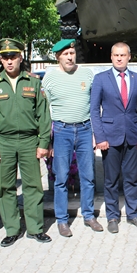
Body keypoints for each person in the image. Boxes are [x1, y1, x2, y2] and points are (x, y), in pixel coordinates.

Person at [0, 38, 52, 246]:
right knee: (5, 188)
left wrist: (43, 142)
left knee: (33, 185)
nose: (9, 61)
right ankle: (12, 229)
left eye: (13, 57)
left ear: (20, 57)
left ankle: (35, 228)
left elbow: (43, 115)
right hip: (4, 142)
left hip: (29, 141)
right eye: (5, 58)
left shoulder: (33, 82)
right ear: (1, 60)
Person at [42, 39, 103, 236]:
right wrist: (48, 141)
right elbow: (44, 111)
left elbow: (95, 107)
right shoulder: (49, 78)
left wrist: (95, 133)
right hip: (61, 130)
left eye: (72, 53)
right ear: (58, 56)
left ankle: (88, 215)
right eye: (65, 54)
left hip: (85, 129)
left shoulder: (87, 74)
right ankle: (62, 220)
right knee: (61, 178)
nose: (70, 57)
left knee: (88, 176)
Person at [90, 42, 137, 234]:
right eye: (116, 55)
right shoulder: (100, 79)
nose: (119, 58)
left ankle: (132, 214)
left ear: (129, 57)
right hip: (109, 137)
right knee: (111, 180)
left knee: (132, 178)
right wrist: (99, 137)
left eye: (123, 55)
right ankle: (113, 216)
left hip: (132, 136)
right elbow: (94, 110)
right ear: (111, 56)